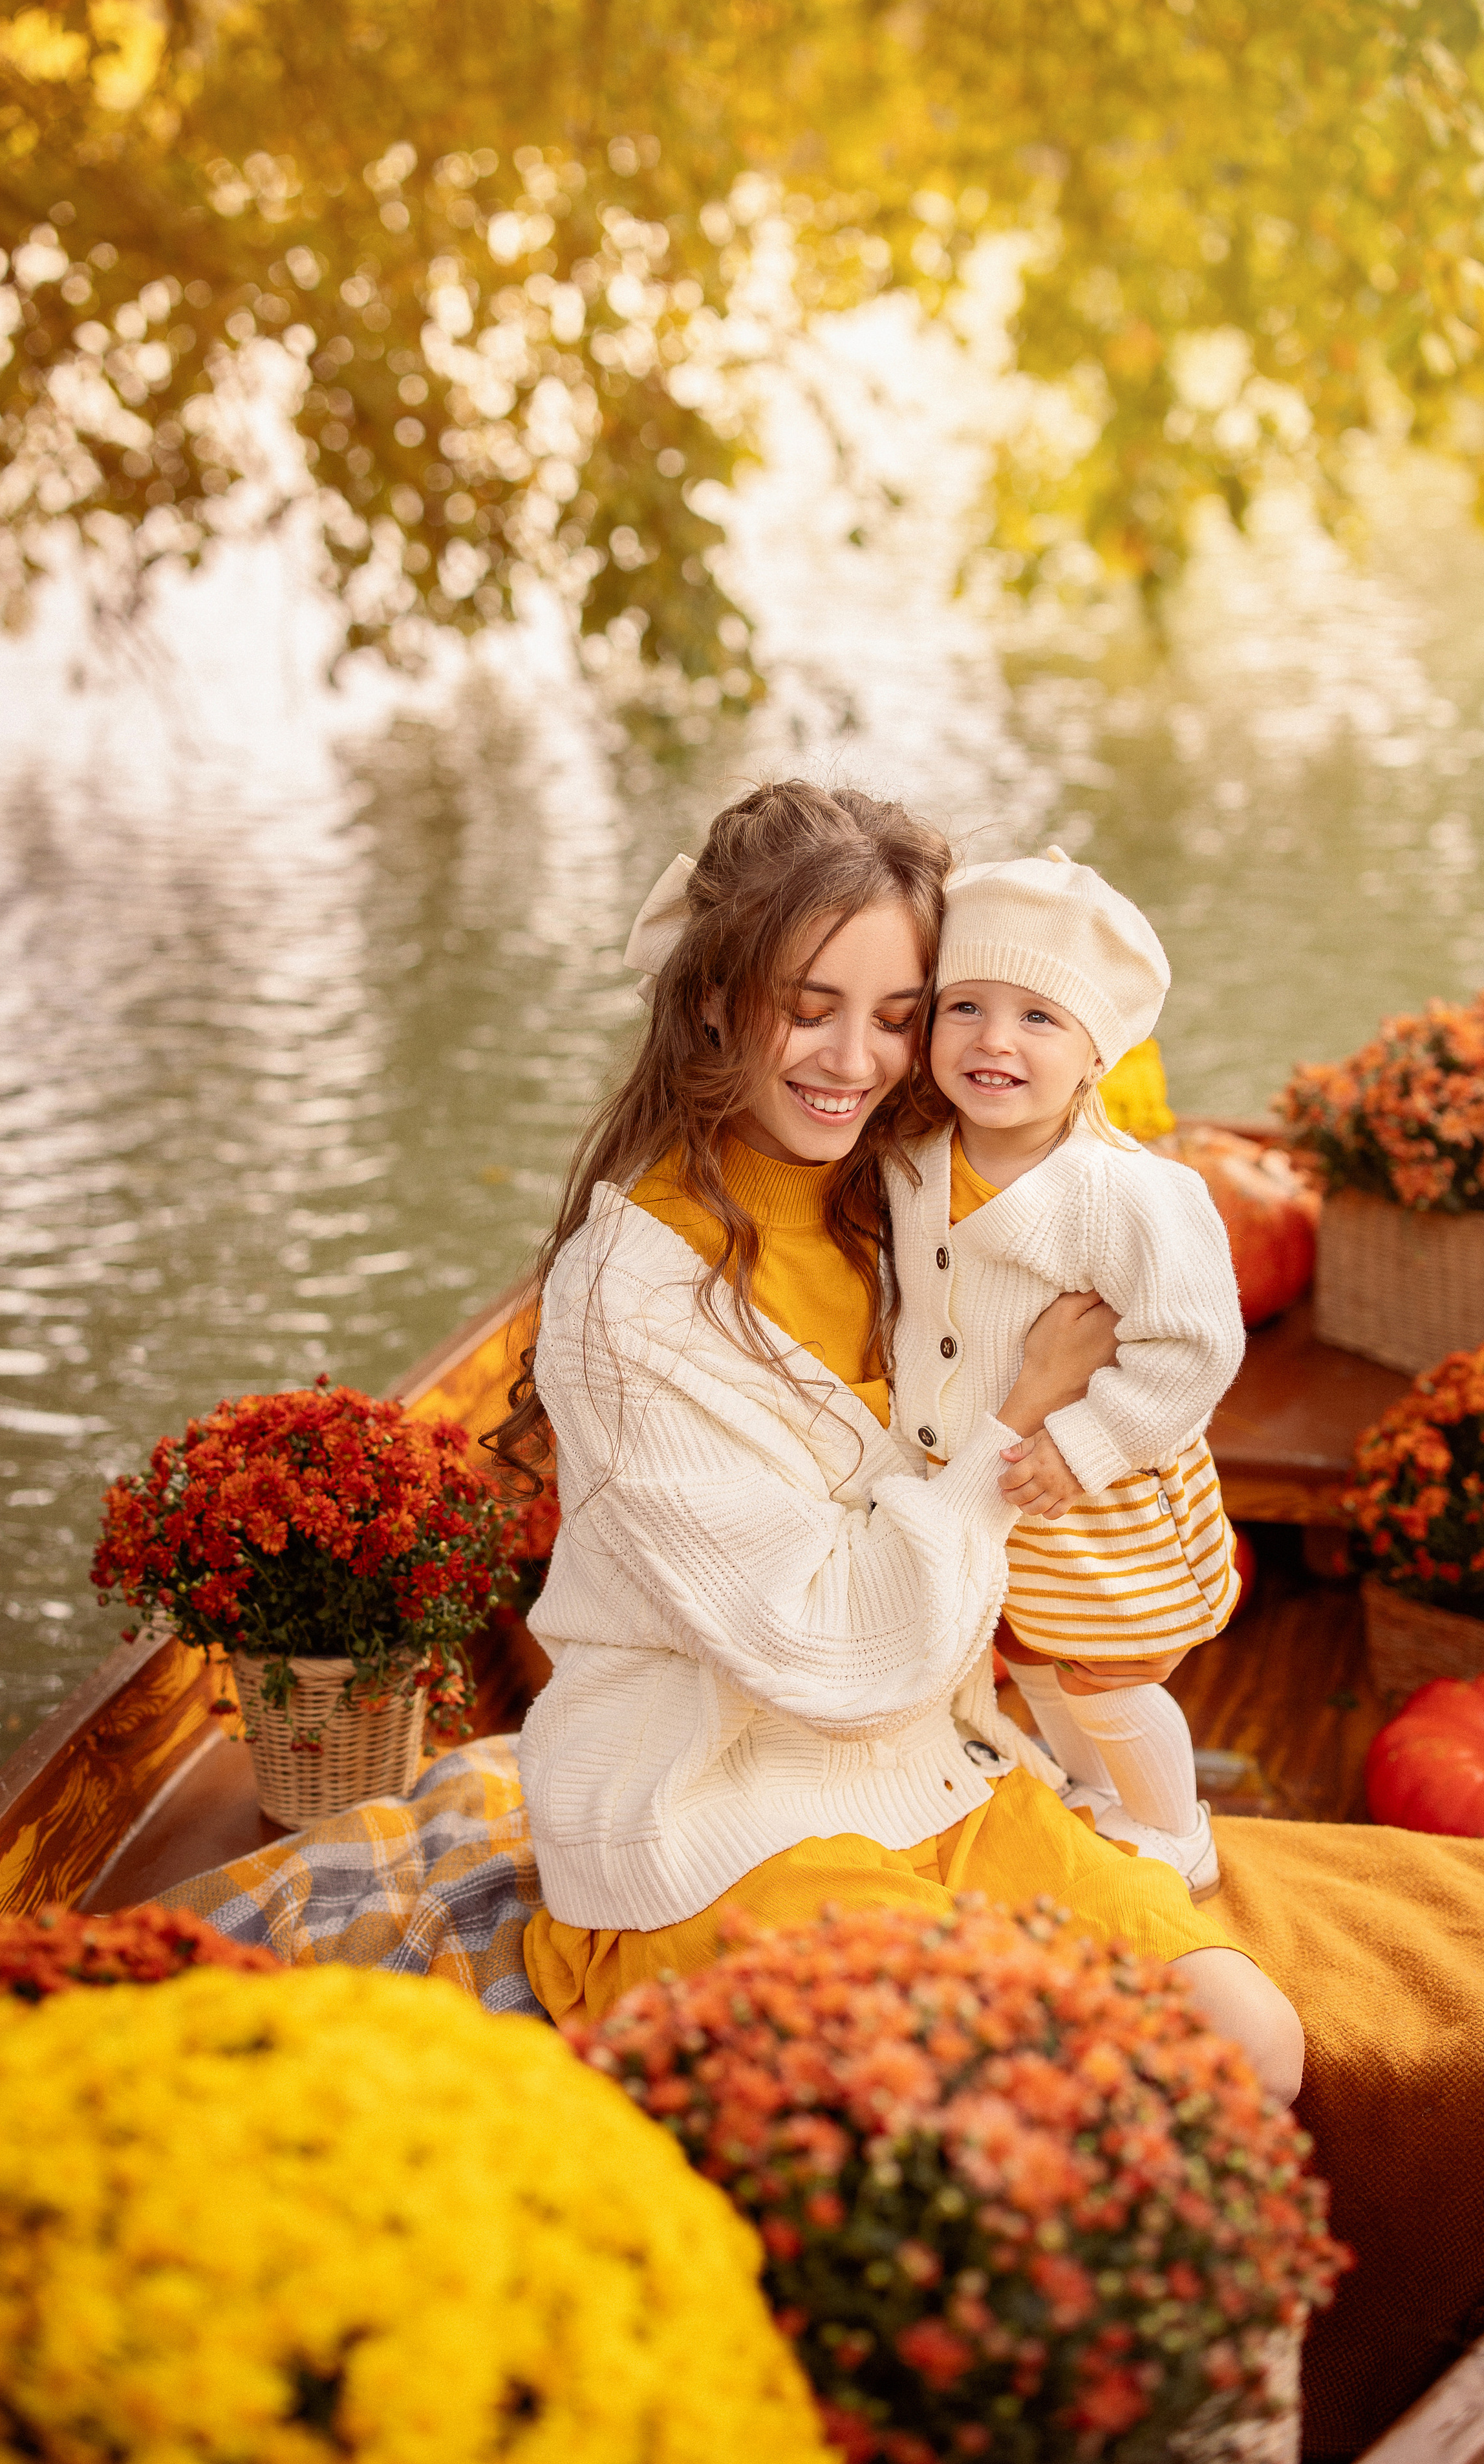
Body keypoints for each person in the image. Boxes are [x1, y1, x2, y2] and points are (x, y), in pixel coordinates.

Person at [490, 778, 1303, 2101]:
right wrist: (1018, 1419)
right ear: (708, 998)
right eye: (805, 1008)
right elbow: (829, 1650)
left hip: (938, 1769)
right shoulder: (627, 1296)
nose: (851, 1062)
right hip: (715, 1803)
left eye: (896, 1017)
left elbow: (1084, 1168)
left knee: (1247, 2046)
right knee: (986, 2098)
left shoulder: (898, 1185)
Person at [889, 847, 1246, 1897]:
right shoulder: (911, 1157)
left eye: (1039, 1019)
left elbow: (1194, 1344)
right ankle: (1099, 1797)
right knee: (1034, 1658)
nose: (995, 1040)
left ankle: (1176, 1828)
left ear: (1097, 1051)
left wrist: (1084, 1445)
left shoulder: (1125, 1193)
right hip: (989, 1479)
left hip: (1097, 1492)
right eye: (966, 1006)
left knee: (1106, 1668)